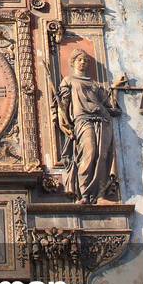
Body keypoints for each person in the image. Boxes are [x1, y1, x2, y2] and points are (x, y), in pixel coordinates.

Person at [57, 49, 118, 205]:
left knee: (102, 155)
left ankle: (100, 195)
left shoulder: (94, 84)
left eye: (85, 60)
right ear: (73, 62)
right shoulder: (68, 81)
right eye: (80, 60)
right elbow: (63, 105)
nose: (83, 62)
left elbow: (108, 105)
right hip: (82, 120)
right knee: (89, 153)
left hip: (102, 119)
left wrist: (115, 88)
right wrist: (63, 121)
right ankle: (85, 193)